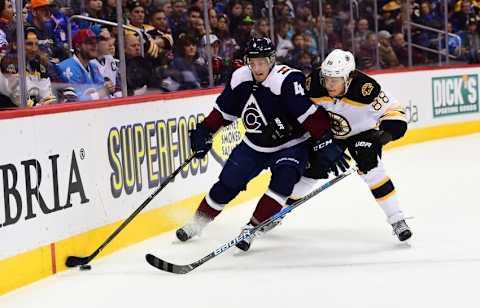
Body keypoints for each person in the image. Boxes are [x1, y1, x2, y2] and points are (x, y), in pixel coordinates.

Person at [175, 37, 349, 251]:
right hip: (254, 145)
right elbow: (223, 113)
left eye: (262, 62)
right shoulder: (240, 77)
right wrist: (204, 130)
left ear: (272, 60)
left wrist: (325, 141)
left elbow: (311, 117)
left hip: (292, 145)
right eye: (253, 62)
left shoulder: (288, 79)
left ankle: (251, 228)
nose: (257, 68)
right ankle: (197, 222)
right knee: (227, 183)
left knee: (284, 181)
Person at [290, 49, 412, 242]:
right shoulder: (314, 84)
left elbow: (394, 111)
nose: (329, 84)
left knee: (372, 170)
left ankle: (397, 219)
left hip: (362, 133)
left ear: (349, 77)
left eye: (335, 79)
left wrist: (387, 132)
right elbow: (302, 110)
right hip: (330, 135)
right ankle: (277, 213)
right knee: (312, 171)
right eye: (326, 78)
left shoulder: (367, 89)